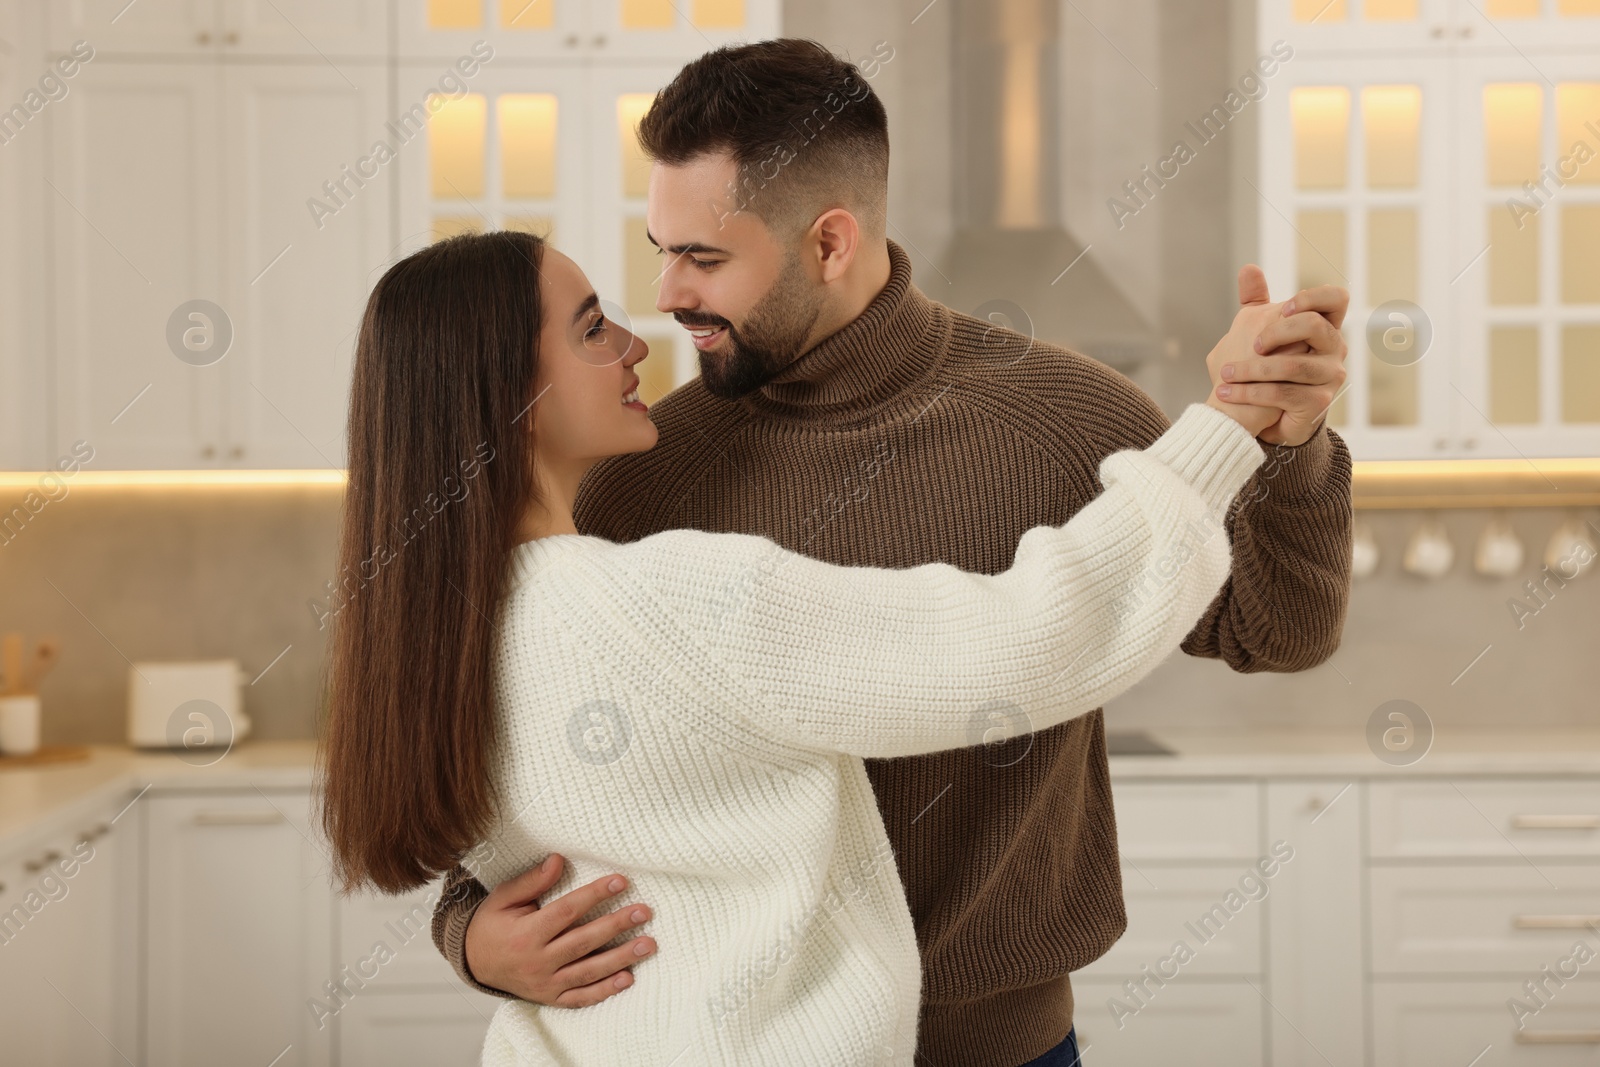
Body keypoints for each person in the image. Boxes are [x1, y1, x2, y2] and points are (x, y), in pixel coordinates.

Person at [421, 39, 1353, 1067]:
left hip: (1003, 1045)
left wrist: (1290, 440)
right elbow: (537, 784)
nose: (666, 294)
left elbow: (1279, 631)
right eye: (661, 247)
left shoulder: (1069, 416)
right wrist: (471, 932)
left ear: (828, 242)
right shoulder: (630, 470)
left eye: (704, 257)